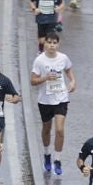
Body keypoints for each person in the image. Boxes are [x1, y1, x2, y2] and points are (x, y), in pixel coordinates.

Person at [30, 35, 76, 175]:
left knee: (60, 130)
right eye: (49, 42)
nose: (51, 45)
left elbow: (68, 69)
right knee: (46, 129)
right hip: (45, 100)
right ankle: (46, 154)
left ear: (58, 44)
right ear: (45, 44)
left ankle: (57, 159)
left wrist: (72, 81)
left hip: (61, 97)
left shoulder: (63, 58)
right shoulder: (39, 60)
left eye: (54, 43)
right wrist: (45, 78)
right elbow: (33, 81)